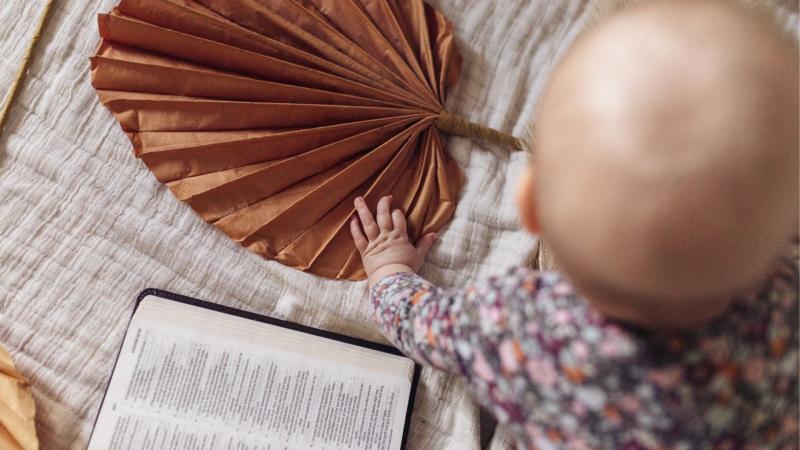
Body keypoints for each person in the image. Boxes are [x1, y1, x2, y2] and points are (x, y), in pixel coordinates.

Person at [348, 0, 799, 448]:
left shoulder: (521, 326)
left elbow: (421, 326)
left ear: (530, 207)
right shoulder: (786, 299)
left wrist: (389, 272)